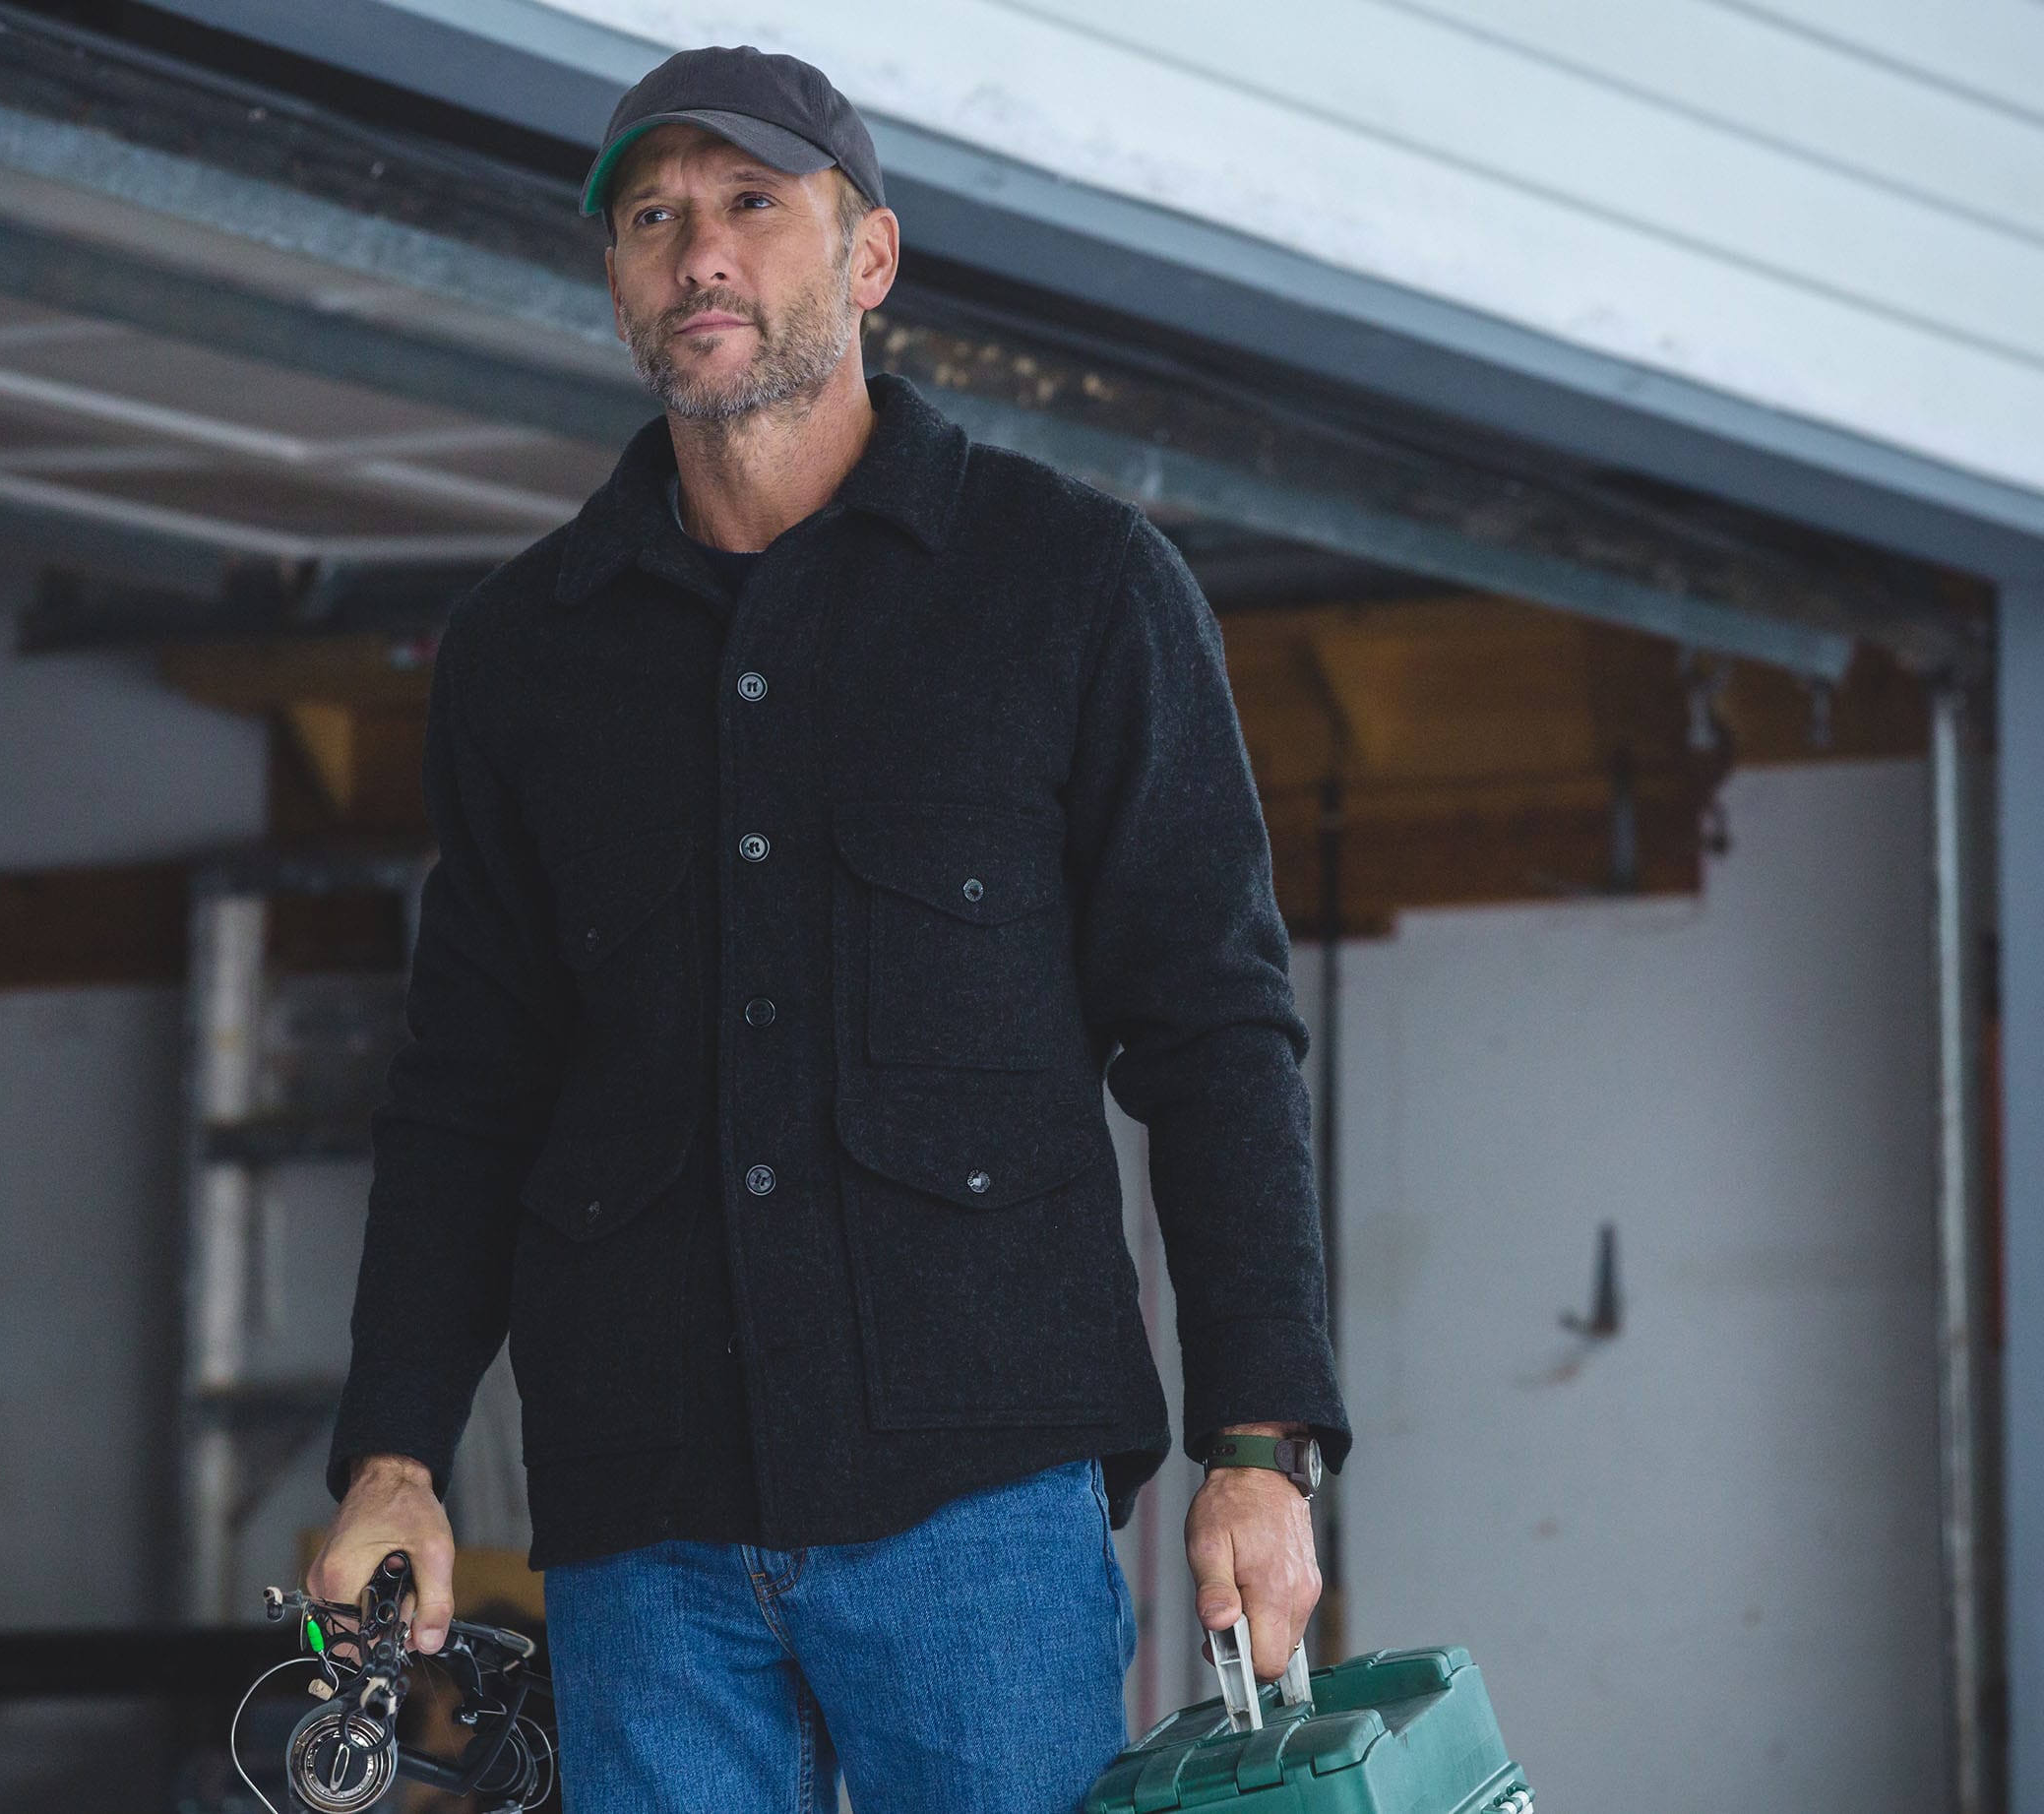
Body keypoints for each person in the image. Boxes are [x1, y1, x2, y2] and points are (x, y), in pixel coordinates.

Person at [306, 42, 1349, 1814]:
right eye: (651, 219)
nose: (697, 251)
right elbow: (467, 1089)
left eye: (748, 203)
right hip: (644, 1527)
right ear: (617, 282)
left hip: (977, 1508)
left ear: (869, 257)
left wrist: (1257, 1440)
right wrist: (394, 1452)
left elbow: (1213, 1030)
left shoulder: (1073, 587)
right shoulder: (522, 657)